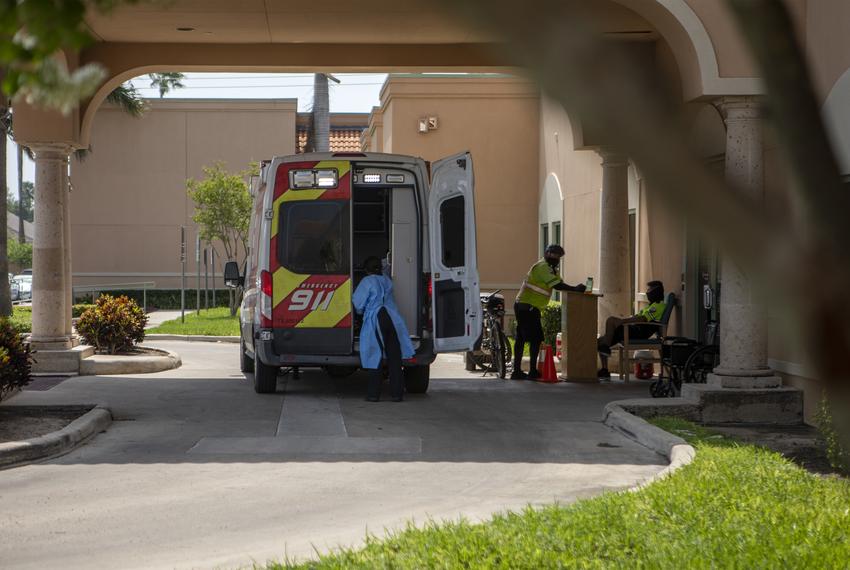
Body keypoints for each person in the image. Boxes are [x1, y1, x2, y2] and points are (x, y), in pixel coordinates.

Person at [512, 244, 586, 380]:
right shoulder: (542, 267)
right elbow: (557, 285)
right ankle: (532, 372)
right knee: (535, 339)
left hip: (525, 306)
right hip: (528, 306)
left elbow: (560, 283)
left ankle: (517, 371)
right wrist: (575, 289)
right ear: (547, 253)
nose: (556, 258)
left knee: (521, 338)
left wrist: (574, 288)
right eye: (554, 255)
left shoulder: (551, 269)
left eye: (559, 256)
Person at [352, 256, 415, 401]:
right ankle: (397, 394)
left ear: (366, 269)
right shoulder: (387, 280)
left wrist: (361, 314)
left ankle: (373, 395)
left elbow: (358, 303)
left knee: (375, 355)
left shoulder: (367, 281)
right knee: (394, 357)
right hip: (394, 318)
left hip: (377, 317)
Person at [597, 280, 667, 380]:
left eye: (649, 290)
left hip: (639, 332)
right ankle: (604, 370)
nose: (647, 292)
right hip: (634, 329)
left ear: (656, 292)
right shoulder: (650, 306)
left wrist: (623, 321)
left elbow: (643, 319)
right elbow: (639, 316)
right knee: (600, 342)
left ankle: (606, 347)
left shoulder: (658, 306)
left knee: (611, 321)